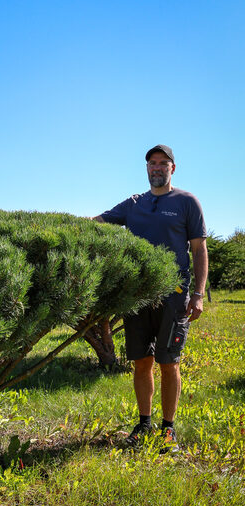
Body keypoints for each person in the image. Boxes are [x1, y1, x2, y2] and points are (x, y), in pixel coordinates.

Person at [93, 144, 208, 450]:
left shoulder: (187, 202)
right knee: (142, 363)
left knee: (169, 363)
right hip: (139, 297)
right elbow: (97, 223)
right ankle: (144, 424)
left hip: (175, 296)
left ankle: (168, 430)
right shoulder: (134, 204)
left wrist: (198, 294)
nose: (156, 168)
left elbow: (199, 250)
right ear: (147, 169)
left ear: (173, 169)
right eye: (151, 163)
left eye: (162, 163)